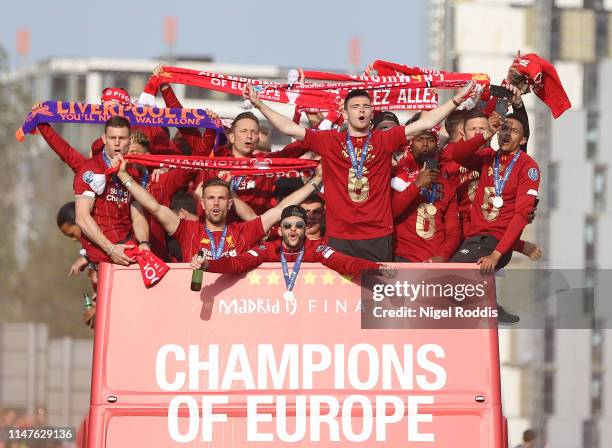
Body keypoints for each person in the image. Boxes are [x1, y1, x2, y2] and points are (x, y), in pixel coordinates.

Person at [244, 80, 477, 262]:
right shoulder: (330, 140)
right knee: (342, 305)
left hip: (377, 235)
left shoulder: (384, 139)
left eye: (366, 106)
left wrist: (455, 101)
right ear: (345, 114)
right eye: (355, 107)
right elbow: (288, 128)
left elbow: (425, 124)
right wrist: (259, 104)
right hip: (340, 235)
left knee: (373, 306)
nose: (361, 111)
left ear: (372, 112)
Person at [112, 154, 324, 262]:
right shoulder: (188, 230)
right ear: (202, 203)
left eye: (221, 198)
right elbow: (154, 207)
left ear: (230, 202)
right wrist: (124, 177)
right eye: (211, 198)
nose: (216, 203)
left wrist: (317, 180)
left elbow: (281, 210)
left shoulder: (242, 232)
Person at [190, 205, 392, 282]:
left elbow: (345, 263)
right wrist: (208, 265)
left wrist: (377, 269)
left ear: (305, 230)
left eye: (298, 225)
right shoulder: (269, 249)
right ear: (279, 230)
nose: (293, 230)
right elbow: (238, 263)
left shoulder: (316, 250)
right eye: (287, 226)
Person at [73, 116, 150, 266]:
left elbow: (138, 215)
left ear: (129, 139)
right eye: (112, 138)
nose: (116, 143)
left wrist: (144, 242)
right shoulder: (90, 169)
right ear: (104, 139)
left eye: (121, 138)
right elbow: (82, 218)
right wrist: (111, 249)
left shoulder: (133, 171)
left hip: (128, 249)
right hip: (104, 255)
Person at [391, 128, 461, 262]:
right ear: (410, 144)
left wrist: (443, 256)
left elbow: (453, 229)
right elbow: (391, 213)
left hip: (434, 262)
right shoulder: (396, 175)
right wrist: (416, 185)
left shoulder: (447, 185)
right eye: (419, 139)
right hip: (402, 259)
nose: (425, 143)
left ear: (437, 145)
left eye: (430, 140)